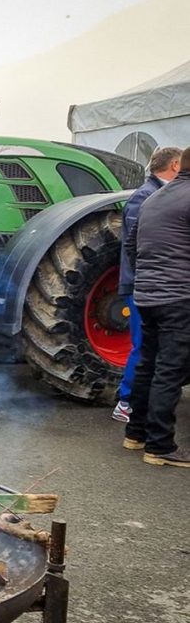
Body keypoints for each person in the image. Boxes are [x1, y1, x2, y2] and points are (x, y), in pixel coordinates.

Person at [122, 146, 190, 467]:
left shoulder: (152, 198)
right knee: (170, 369)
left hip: (148, 296)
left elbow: (132, 247)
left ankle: (135, 433)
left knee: (148, 364)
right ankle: (161, 446)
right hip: (179, 297)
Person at [113, 146, 182, 423]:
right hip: (144, 286)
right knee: (143, 346)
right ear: (175, 165)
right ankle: (126, 402)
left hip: (151, 284)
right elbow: (137, 246)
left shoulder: (154, 195)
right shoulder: (145, 197)